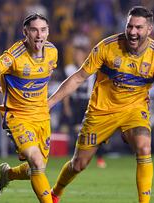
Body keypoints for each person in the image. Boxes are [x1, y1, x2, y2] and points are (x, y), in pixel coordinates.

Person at [48, 6, 154, 203]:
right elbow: (78, 77)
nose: (133, 32)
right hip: (101, 110)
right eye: (130, 26)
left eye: (139, 27)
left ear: (149, 30)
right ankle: (55, 193)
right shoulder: (107, 47)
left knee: (144, 147)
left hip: (134, 110)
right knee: (79, 164)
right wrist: (50, 103)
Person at [0, 13, 57, 203]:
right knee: (37, 162)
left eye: (43, 30)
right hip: (18, 116)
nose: (39, 35)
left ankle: (8, 174)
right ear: (25, 32)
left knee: (35, 169)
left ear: (48, 32)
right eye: (34, 30)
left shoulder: (53, 52)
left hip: (42, 116)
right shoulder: (13, 56)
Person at [62, 35, 107, 168]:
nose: (77, 56)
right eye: (75, 54)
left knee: (94, 131)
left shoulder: (92, 68)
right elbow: (66, 88)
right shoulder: (69, 69)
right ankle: (77, 157)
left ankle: (99, 157)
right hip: (75, 102)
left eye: (79, 54)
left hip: (88, 102)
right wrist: (66, 106)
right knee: (75, 130)